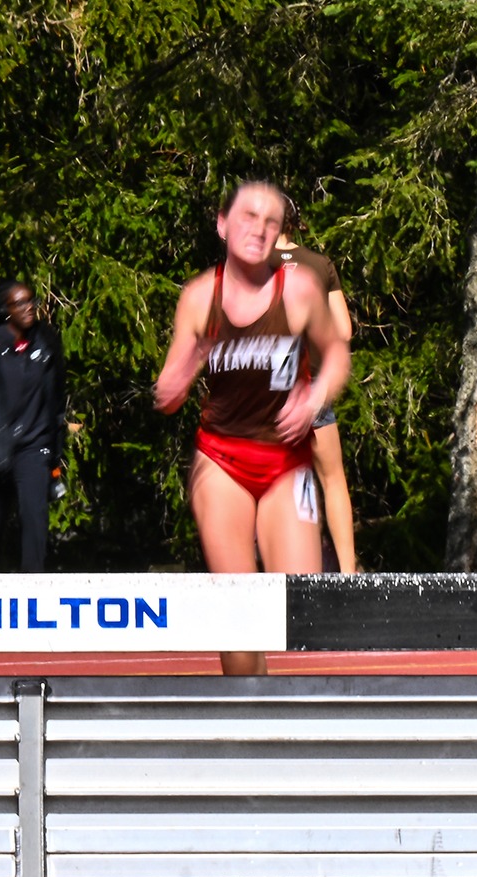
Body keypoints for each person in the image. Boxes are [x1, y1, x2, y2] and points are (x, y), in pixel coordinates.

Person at [155, 180, 352, 675]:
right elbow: (167, 392)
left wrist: (314, 397)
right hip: (222, 459)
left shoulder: (301, 288)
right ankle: (245, 712)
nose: (259, 230)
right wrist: (176, 382)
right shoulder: (202, 296)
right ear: (222, 224)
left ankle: (293, 718)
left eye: (271, 222)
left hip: (287, 463)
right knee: (236, 603)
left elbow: (336, 356)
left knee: (300, 606)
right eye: (248, 217)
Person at [273, 209, 359, 572]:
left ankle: (282, 574)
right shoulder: (320, 263)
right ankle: (348, 572)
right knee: (332, 478)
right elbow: (344, 330)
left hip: (271, 387)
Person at [0, 281, 66, 572]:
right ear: (6, 310)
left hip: (34, 445)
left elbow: (56, 400)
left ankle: (32, 584)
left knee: (34, 519)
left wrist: (55, 451)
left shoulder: (46, 343)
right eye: (19, 303)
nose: (28, 308)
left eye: (30, 301)